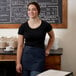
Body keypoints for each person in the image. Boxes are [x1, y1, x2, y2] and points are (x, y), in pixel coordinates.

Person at [16, 2, 55, 76]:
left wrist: (48, 49)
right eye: (29, 10)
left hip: (39, 57)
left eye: (34, 9)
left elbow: (52, 37)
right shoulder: (23, 27)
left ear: (38, 11)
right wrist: (18, 63)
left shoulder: (45, 25)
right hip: (26, 57)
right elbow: (20, 45)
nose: (31, 12)